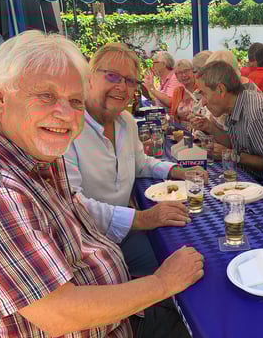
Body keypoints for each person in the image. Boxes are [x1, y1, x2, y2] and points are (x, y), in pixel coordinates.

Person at [0, 30, 203, 338]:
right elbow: (58, 313)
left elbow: (135, 167)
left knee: (195, 311)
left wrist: (172, 173)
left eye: (74, 101)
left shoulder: (37, 156)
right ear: (0, 96)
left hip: (104, 330)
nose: (65, 113)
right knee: (179, 290)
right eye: (46, 95)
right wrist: (161, 282)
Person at [64, 43, 207, 277]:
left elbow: (140, 163)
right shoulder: (67, 128)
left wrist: (177, 171)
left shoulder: (126, 122)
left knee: (191, 252)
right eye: (112, 76)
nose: (122, 87)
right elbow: (72, 205)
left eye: (130, 81)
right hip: (85, 244)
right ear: (89, 77)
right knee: (170, 263)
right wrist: (142, 218)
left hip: (122, 234)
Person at [190, 60, 263, 181]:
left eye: (204, 94)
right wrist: (209, 127)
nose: (203, 102)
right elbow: (235, 144)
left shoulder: (254, 114)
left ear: (221, 89)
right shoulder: (236, 104)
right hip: (248, 178)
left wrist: (233, 155)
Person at [170, 59, 199, 123]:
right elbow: (173, 115)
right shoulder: (177, 91)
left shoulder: (201, 88)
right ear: (176, 76)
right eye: (180, 73)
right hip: (181, 128)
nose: (184, 75)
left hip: (199, 127)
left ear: (192, 71)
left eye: (186, 71)